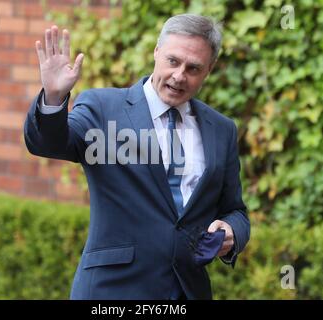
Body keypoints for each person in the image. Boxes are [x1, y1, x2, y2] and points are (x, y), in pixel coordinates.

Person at [24, 14, 250, 300]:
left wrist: (232, 231)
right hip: (112, 292)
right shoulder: (103, 108)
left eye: (193, 68)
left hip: (186, 292)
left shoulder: (222, 130)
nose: (180, 76)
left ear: (209, 70)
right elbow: (48, 144)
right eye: (173, 61)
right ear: (156, 52)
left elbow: (235, 210)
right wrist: (54, 99)